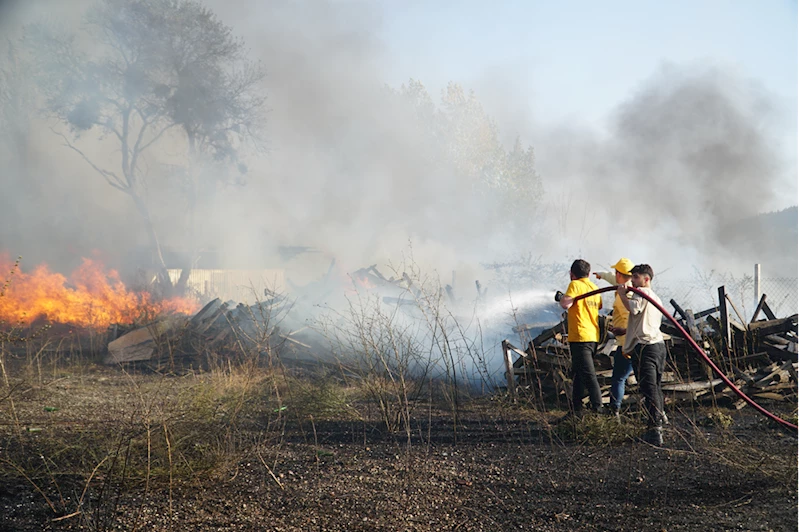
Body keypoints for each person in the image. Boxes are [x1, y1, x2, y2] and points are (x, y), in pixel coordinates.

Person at [614, 264, 667, 446]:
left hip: (645, 347)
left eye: (636, 277)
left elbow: (634, 309)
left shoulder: (641, 293)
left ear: (646, 279)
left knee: (648, 388)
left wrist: (622, 295)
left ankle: (654, 431)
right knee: (656, 386)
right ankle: (660, 418)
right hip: (658, 346)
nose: (633, 281)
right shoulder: (656, 298)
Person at [555, 259, 604, 417]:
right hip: (592, 337)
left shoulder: (575, 285)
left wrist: (562, 297)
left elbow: (565, 304)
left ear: (571, 274)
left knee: (589, 375)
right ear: (589, 274)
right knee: (577, 375)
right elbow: (599, 305)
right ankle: (575, 411)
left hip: (580, 337)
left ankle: (599, 411)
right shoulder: (593, 287)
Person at [595, 258, 634, 418]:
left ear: (620, 274)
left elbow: (635, 320)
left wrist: (621, 331)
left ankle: (614, 412)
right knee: (646, 380)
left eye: (616, 272)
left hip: (627, 344)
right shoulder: (627, 286)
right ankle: (659, 413)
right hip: (629, 343)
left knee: (618, 378)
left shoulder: (628, 296)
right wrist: (601, 275)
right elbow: (613, 278)